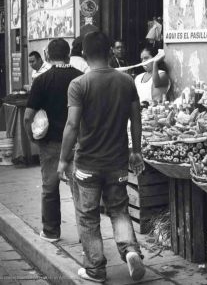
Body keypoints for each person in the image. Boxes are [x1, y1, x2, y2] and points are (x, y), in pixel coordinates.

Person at [57, 32, 146, 283]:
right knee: (119, 210)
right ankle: (130, 251)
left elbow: (72, 125)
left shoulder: (79, 85)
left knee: (88, 215)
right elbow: (136, 120)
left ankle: (95, 269)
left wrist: (63, 159)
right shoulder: (126, 81)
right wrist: (136, 151)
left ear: (84, 55)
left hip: (87, 163)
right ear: (109, 52)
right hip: (117, 161)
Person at [24, 38, 83, 243]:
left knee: (50, 187)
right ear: (68, 55)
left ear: (48, 56)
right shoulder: (81, 78)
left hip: (49, 143)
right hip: (77, 142)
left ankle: (51, 231)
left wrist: (31, 136)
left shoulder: (41, 80)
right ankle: (87, 236)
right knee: (80, 190)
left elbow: (28, 117)